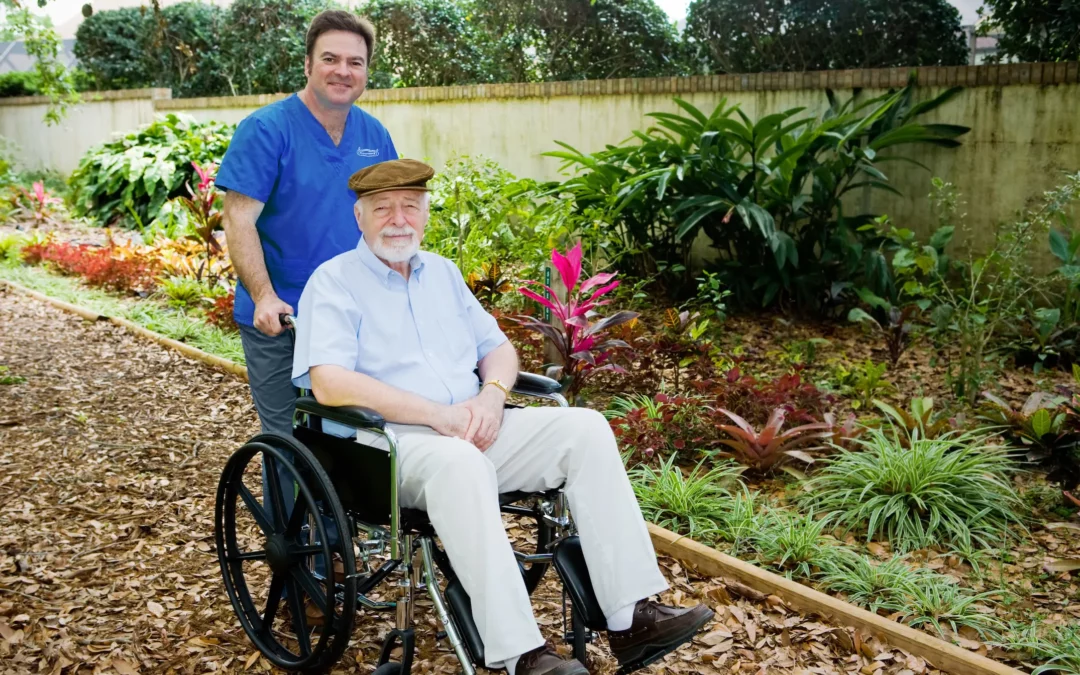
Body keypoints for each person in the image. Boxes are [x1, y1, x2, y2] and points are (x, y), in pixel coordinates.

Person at [291, 159, 714, 675]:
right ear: (360, 216)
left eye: (410, 206)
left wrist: (492, 396)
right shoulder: (333, 282)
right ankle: (521, 655)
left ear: (425, 214)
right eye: (383, 208)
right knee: (460, 466)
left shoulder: (443, 274)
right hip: (389, 447)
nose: (398, 218)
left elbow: (499, 349)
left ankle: (631, 618)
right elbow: (329, 382)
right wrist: (438, 416)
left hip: (473, 425)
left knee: (584, 428)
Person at [217, 9, 397, 435]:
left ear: (367, 71)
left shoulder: (375, 137)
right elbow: (238, 219)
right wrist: (263, 296)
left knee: (354, 436)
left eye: (355, 62)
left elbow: (389, 221)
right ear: (308, 65)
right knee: (289, 441)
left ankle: (335, 506)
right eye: (330, 59)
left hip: (353, 315)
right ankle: (287, 506)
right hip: (282, 317)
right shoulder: (265, 130)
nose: (343, 71)